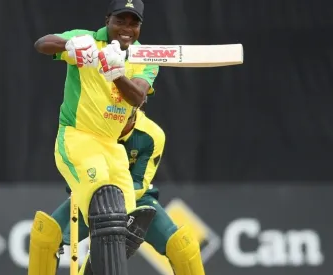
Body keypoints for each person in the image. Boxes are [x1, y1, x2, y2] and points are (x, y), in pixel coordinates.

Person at [28, 0, 159, 274]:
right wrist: (69, 46)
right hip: (78, 137)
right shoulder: (85, 40)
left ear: (140, 27)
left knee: (123, 224)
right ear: (107, 19)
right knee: (105, 198)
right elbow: (42, 44)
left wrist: (116, 74)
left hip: (113, 147)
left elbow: (137, 96)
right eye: (120, 21)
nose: (126, 28)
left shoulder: (144, 56)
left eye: (133, 23)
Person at [31, 109, 207, 275]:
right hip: (92, 197)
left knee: (184, 248)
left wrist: (113, 205)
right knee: (45, 235)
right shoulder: (92, 126)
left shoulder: (152, 135)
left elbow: (139, 184)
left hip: (136, 200)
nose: (116, 116)